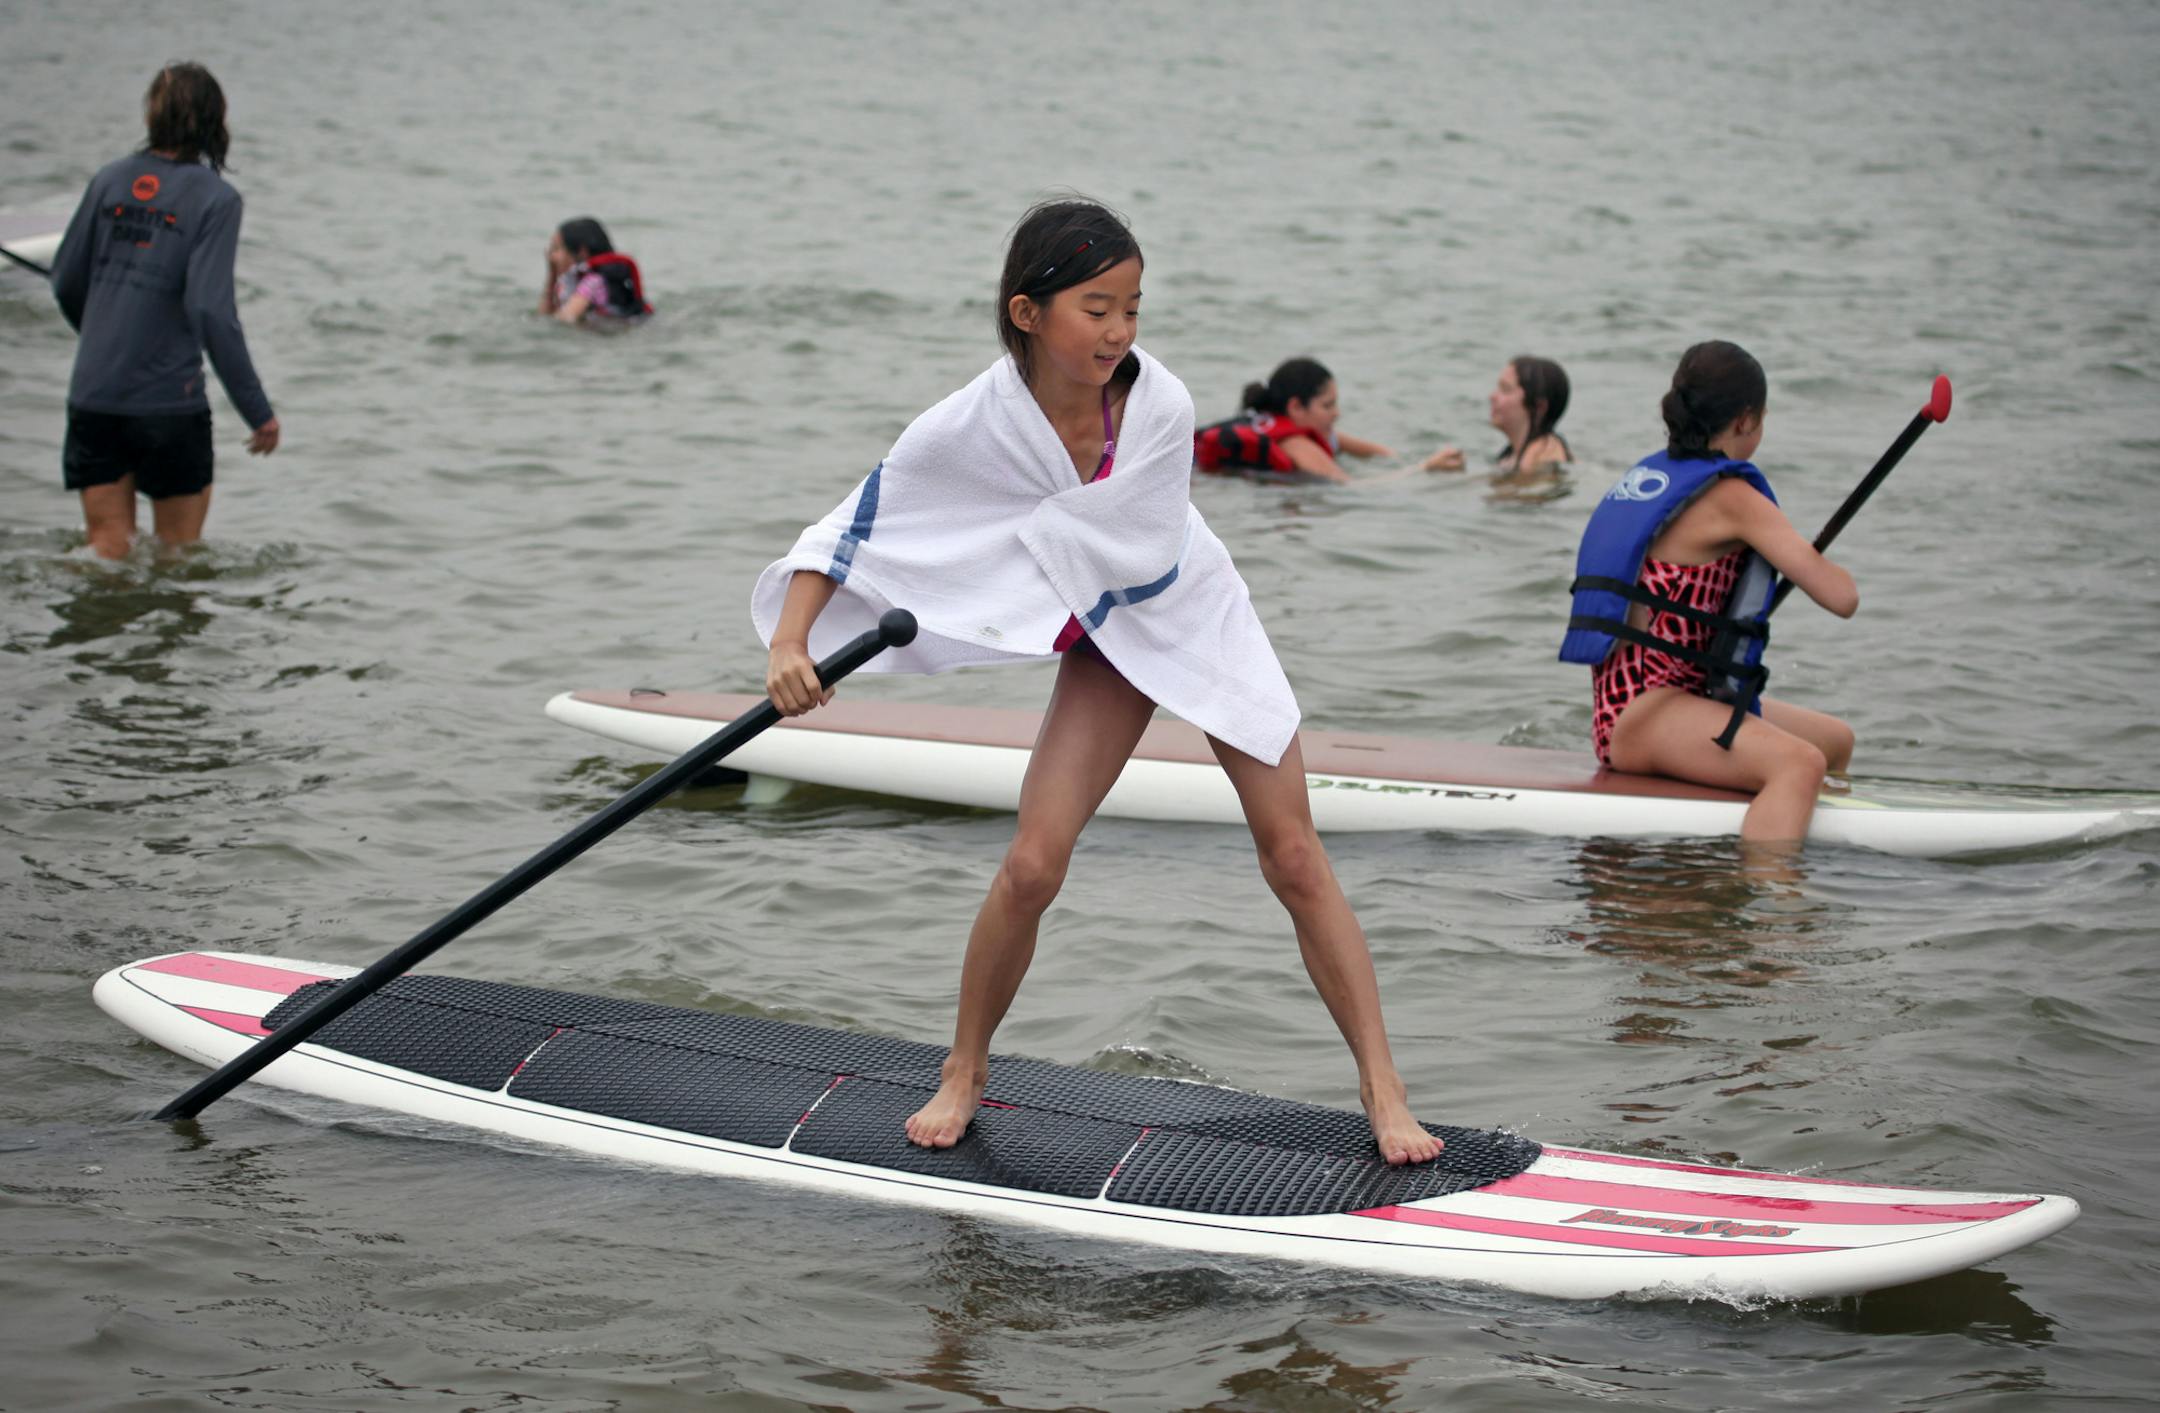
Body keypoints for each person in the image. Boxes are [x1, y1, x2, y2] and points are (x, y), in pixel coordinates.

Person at [755, 199, 1441, 1165]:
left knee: (1293, 855)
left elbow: (1140, 557)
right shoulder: (970, 423)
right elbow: (854, 528)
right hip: (1107, 632)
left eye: (1133, 307)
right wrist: (791, 643)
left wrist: (1053, 600)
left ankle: (1384, 1086)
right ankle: (964, 1069)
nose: (1120, 332)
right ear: (1028, 314)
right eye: (1097, 308)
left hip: (1189, 611)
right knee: (1033, 864)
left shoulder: (1158, 404)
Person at [1558, 340, 1857, 844]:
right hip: (1647, 715)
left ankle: (1808, 836)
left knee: (1834, 741)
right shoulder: (1733, 497)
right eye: (1763, 419)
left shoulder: (1655, 477)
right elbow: (1842, 598)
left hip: (1643, 704)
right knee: (1800, 764)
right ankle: (1768, 906)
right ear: (1744, 421)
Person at [49, 62, 279, 558]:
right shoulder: (216, 200)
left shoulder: (109, 181)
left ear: (152, 116)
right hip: (169, 404)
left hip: (96, 394)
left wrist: (104, 339)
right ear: (214, 123)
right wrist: (257, 411)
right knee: (178, 559)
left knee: (107, 552)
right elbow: (210, 309)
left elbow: (66, 279)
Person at [1193, 357, 1397, 482]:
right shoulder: (1298, 444)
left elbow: (1383, 454)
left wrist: (1395, 460)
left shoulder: (1266, 422)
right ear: (1296, 407)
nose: (1337, 413)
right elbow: (1350, 486)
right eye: (1327, 405)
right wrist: (1423, 469)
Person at [1424, 356, 1572, 482]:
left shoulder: (1542, 454)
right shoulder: (1514, 455)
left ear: (1539, 407)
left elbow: (1526, 496)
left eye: (1506, 389)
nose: (1492, 396)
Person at [539, 217, 651, 324]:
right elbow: (545, 314)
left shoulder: (593, 281)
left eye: (556, 248)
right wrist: (552, 275)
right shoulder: (573, 280)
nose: (551, 256)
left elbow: (565, 318)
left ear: (582, 252)